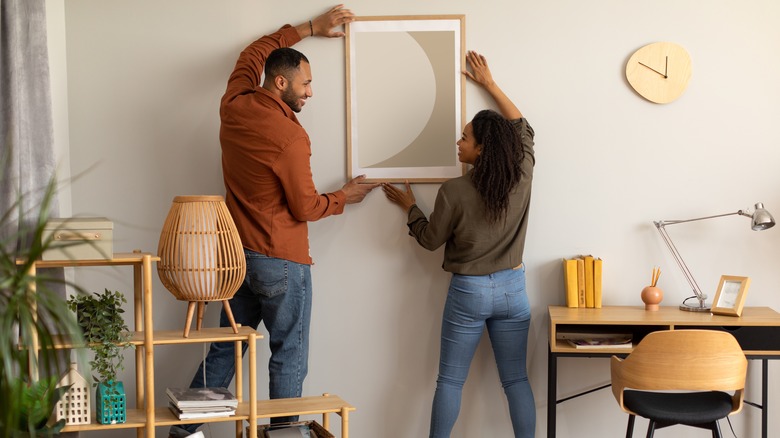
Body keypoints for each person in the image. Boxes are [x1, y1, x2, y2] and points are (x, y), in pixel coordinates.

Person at [169, 5, 378, 437]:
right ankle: (284, 435)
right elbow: (305, 208)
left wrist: (308, 29)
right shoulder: (290, 137)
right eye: (306, 84)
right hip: (281, 261)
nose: (311, 93)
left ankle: (184, 433)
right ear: (280, 83)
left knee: (226, 347)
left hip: (237, 260)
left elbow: (255, 50)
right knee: (289, 352)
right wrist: (345, 197)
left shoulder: (234, 103)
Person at [382, 50, 536, 437]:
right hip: (512, 289)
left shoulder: (454, 191)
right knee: (516, 380)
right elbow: (523, 127)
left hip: (468, 291)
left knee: (449, 382)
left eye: (465, 137)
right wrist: (489, 84)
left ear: (481, 148)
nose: (458, 140)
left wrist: (411, 207)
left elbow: (431, 240)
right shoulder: (523, 174)